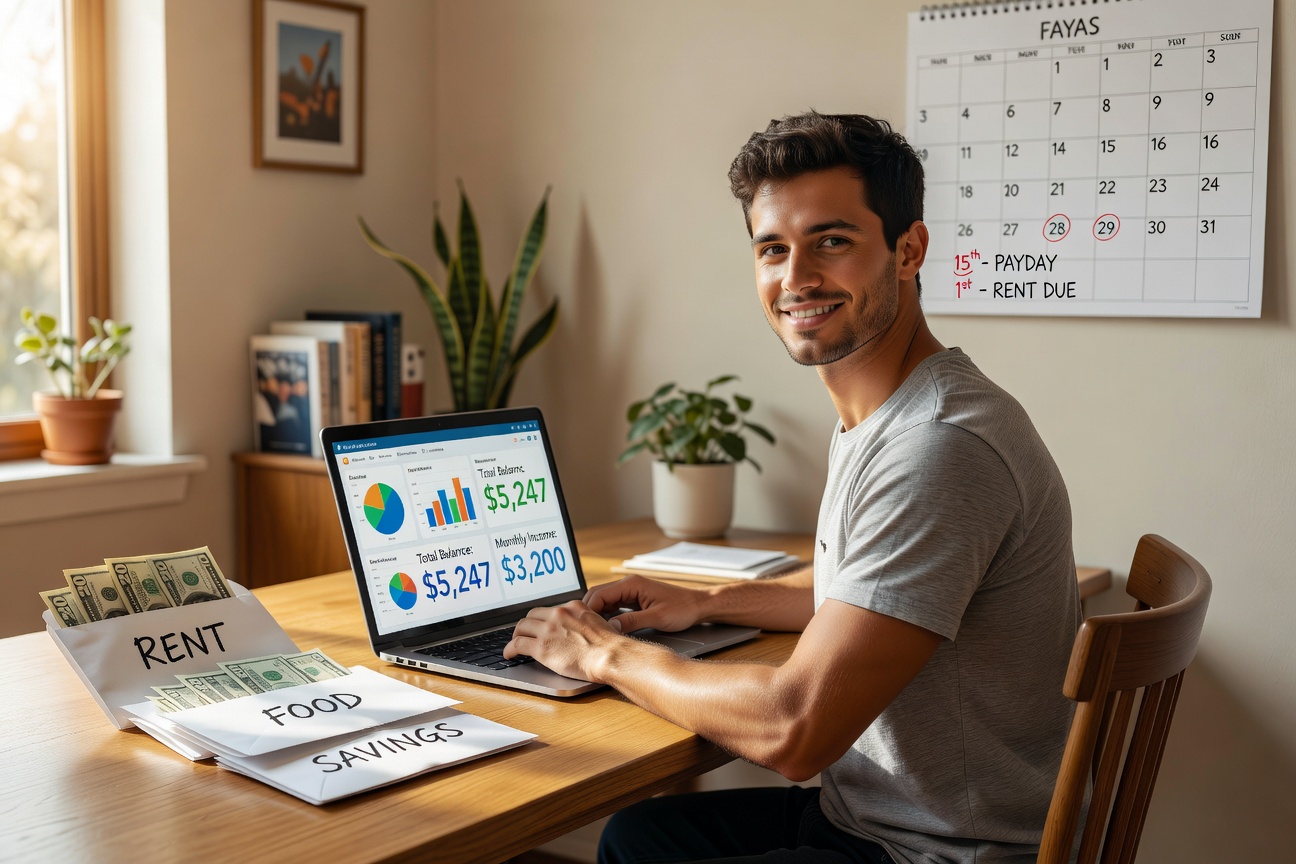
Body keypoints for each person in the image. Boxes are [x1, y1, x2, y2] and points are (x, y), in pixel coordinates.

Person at [504, 111, 1081, 864]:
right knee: (642, 836)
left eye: (832, 242)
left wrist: (602, 656)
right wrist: (706, 606)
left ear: (909, 251)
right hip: (881, 818)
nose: (797, 278)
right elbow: (861, 594)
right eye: (773, 248)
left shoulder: (938, 448)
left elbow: (794, 727)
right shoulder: (896, 410)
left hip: (939, 851)